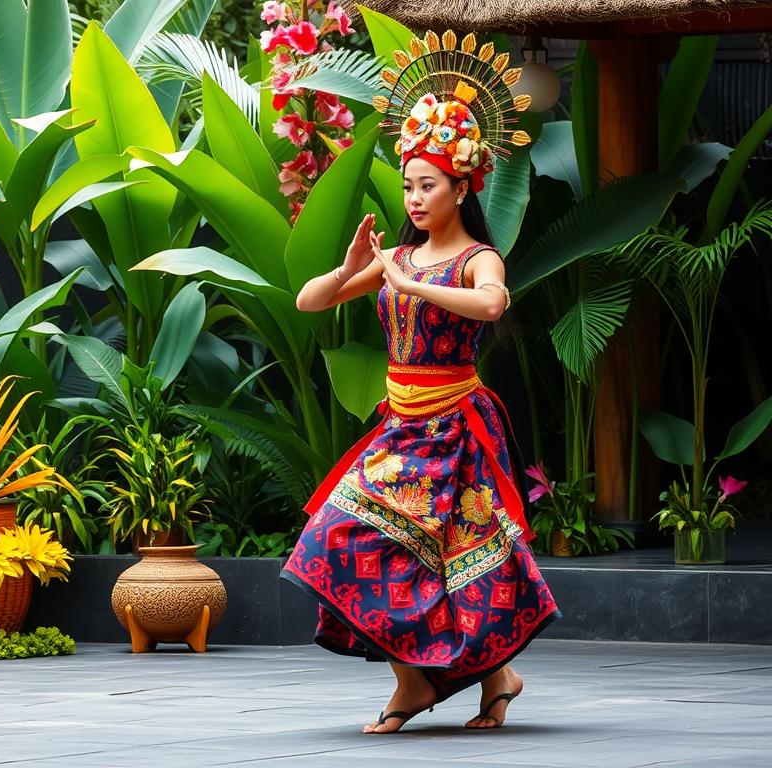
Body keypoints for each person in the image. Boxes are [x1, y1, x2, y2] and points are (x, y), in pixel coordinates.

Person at [279, 31, 561, 735]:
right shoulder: (398, 254)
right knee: (339, 535)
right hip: (402, 425)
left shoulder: (475, 258)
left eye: (427, 185)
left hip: (457, 425)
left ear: (462, 187)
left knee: (464, 560)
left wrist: (412, 285)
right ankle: (429, 681)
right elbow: (307, 302)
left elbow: (494, 305)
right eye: (407, 185)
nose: (413, 197)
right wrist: (352, 269)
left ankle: (480, 681)